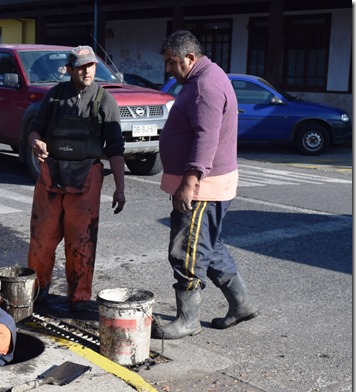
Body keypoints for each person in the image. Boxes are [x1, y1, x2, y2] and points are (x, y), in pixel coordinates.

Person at [151, 30, 258, 340]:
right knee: (209, 248)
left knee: (186, 251)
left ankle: (187, 321)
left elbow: (206, 137)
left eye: (172, 62)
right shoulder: (202, 78)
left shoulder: (205, 85)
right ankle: (242, 305)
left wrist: (190, 182)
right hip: (209, 184)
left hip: (203, 187)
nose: (169, 69)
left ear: (190, 58)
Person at [27, 45, 126, 312]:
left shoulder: (105, 102)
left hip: (87, 179)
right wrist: (36, 143)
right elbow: (34, 130)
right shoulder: (55, 97)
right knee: (41, 239)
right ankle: (37, 291)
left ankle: (79, 298)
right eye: (81, 67)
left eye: (91, 66)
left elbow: (116, 149)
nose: (87, 71)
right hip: (51, 177)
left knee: (81, 241)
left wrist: (120, 188)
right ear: (69, 69)